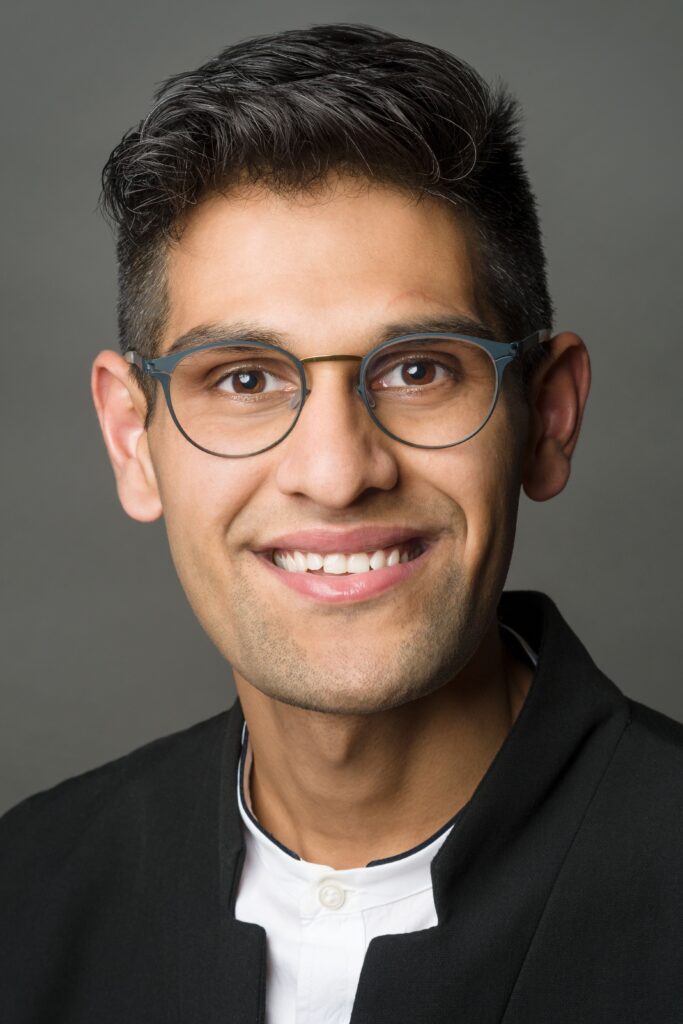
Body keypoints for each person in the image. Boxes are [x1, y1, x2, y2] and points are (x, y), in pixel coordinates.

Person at [1, 22, 681, 1024]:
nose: (334, 471)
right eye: (241, 377)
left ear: (547, 416)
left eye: (418, 369)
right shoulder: (29, 893)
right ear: (131, 441)